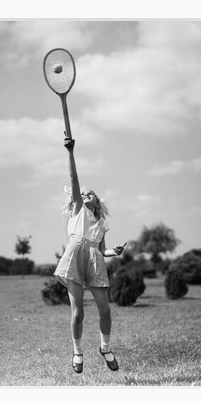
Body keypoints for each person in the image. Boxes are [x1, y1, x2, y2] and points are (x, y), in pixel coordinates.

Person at [54, 134, 126, 374]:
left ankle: (105, 348)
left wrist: (112, 251)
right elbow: (74, 179)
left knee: (105, 310)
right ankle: (77, 352)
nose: (84, 195)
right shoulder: (77, 210)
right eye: (81, 194)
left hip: (95, 260)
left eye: (89, 194)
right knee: (78, 313)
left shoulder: (101, 224)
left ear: (96, 202)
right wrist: (71, 152)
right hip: (74, 258)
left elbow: (101, 249)